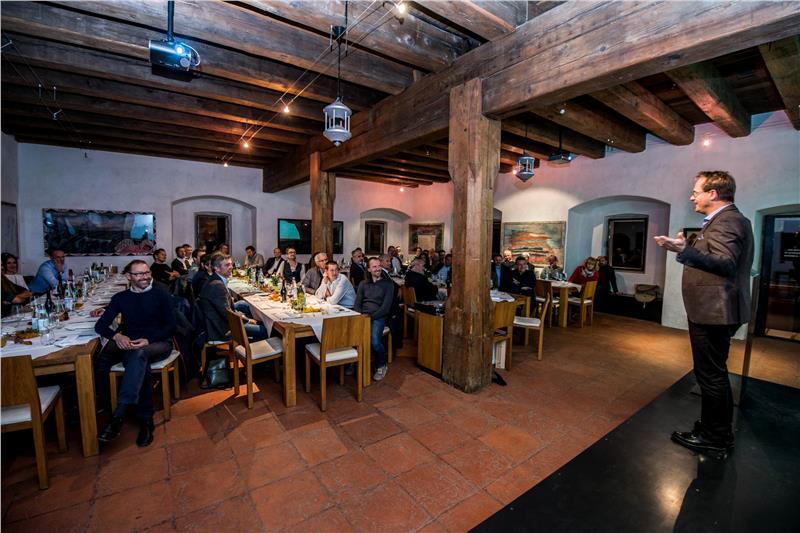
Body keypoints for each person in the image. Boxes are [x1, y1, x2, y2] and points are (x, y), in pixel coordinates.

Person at [655, 170, 753, 455]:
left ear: (713, 193)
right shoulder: (725, 220)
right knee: (712, 373)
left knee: (710, 375)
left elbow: (724, 263)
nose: (691, 197)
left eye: (696, 192)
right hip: (714, 310)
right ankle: (713, 428)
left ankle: (715, 437)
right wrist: (684, 249)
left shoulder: (728, 221)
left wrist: (685, 250)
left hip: (715, 312)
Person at [94, 260, 176, 447]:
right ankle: (146, 420)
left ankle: (119, 415)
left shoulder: (161, 294)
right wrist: (117, 336)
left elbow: (171, 326)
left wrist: (148, 339)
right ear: (128, 276)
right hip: (132, 346)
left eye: (147, 273)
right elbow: (100, 326)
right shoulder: (121, 298)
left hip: (159, 343)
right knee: (139, 360)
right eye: (139, 274)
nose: (145, 277)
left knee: (138, 355)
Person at [198, 254, 267, 342]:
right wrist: (248, 320)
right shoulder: (217, 285)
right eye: (227, 265)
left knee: (243, 304)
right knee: (263, 330)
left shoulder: (216, 279)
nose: (231, 267)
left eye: (231, 264)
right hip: (220, 329)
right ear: (217, 268)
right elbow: (228, 314)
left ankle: (257, 325)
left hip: (218, 319)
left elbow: (226, 309)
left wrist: (242, 316)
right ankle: (251, 348)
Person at [354, 257, 395, 381]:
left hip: (378, 316)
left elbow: (385, 308)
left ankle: (382, 365)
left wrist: (370, 318)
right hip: (363, 316)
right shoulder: (363, 284)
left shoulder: (388, 284)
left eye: (379, 266)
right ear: (369, 269)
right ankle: (353, 363)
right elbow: (357, 303)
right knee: (351, 337)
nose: (378, 269)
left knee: (375, 342)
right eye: (374, 267)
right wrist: (360, 316)